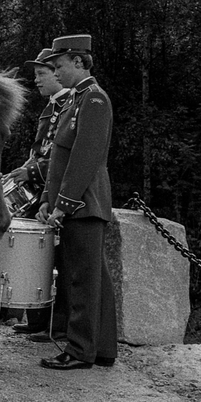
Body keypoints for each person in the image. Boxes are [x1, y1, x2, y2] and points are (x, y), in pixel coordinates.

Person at [36, 34, 118, 370]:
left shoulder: (94, 100)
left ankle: (81, 349)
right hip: (76, 204)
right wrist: (46, 198)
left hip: (85, 205)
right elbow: (58, 161)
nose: (55, 73)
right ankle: (101, 348)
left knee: (83, 280)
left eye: (59, 66)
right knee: (91, 276)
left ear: (80, 62)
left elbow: (85, 159)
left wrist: (63, 205)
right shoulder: (75, 101)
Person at [5, 48, 70, 335]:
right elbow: (40, 151)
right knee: (36, 258)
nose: (38, 81)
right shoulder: (51, 109)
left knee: (57, 261)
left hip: (58, 193)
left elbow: (64, 158)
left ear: (58, 74)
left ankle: (56, 324)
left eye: (42, 74)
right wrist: (22, 171)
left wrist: (32, 173)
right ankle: (37, 319)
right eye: (36, 75)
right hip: (42, 192)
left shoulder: (71, 105)